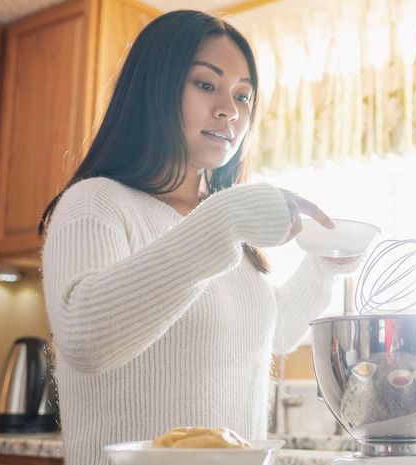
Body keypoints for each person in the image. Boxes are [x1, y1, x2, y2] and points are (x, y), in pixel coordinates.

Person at [39, 10, 357, 465]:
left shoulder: (220, 227)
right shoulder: (96, 203)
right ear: (155, 88)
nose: (230, 109)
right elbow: (86, 341)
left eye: (243, 96)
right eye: (206, 85)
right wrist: (224, 220)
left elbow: (270, 332)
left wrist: (325, 264)